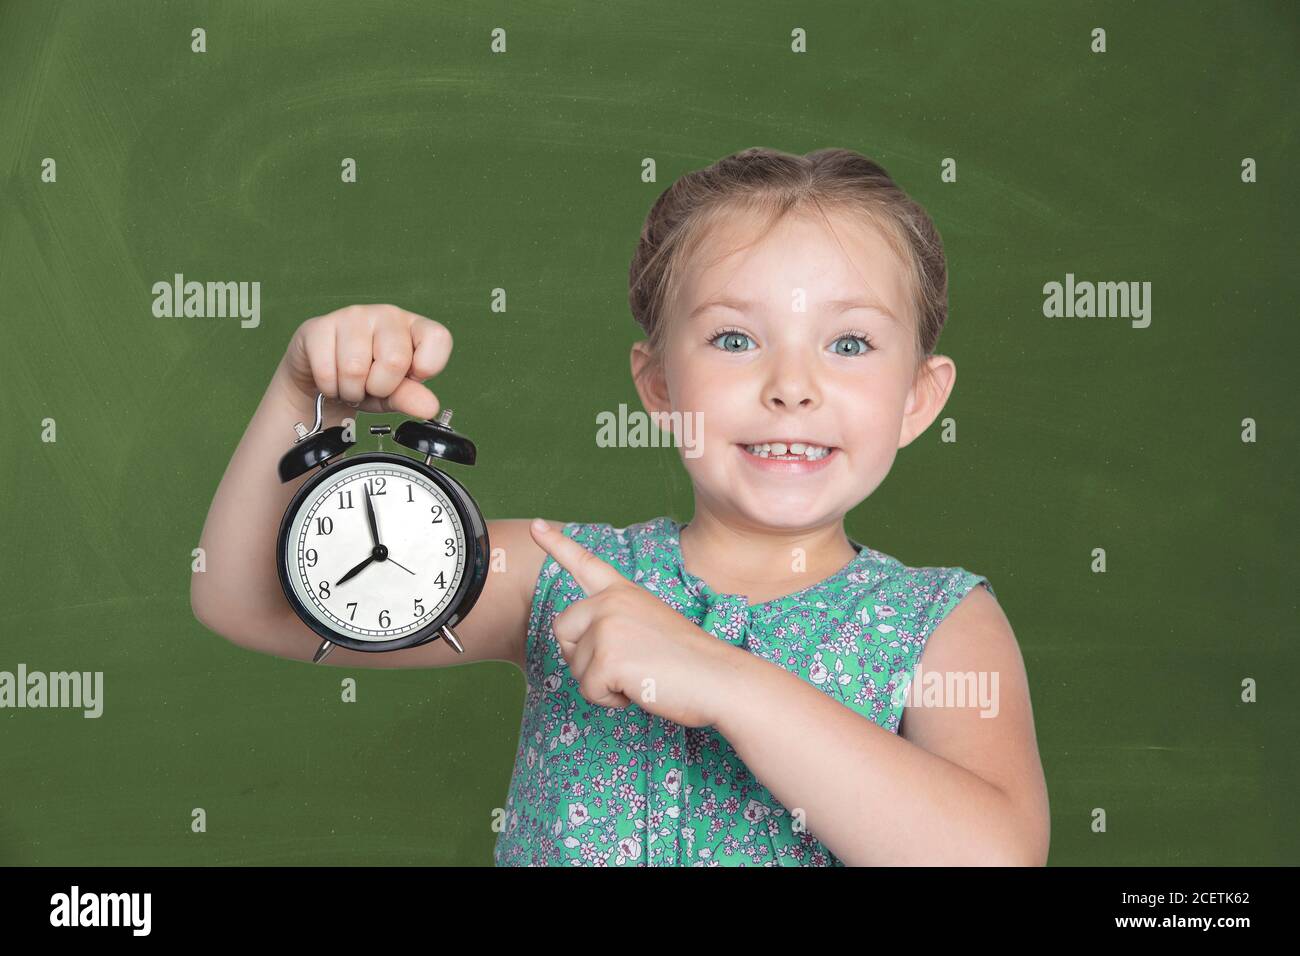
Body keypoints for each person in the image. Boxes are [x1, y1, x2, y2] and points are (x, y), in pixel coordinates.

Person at [192, 146, 1050, 866]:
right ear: (659, 383)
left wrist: (723, 680)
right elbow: (244, 600)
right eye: (735, 339)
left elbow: (993, 855)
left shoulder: (938, 622)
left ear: (917, 399)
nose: (793, 386)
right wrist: (308, 401)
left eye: (851, 343)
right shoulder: (556, 574)